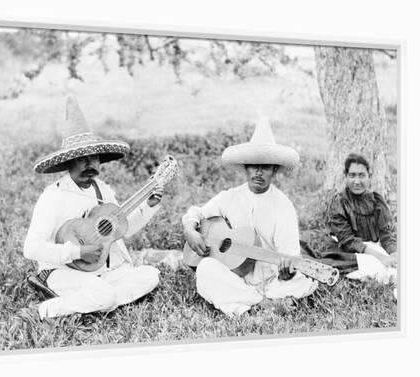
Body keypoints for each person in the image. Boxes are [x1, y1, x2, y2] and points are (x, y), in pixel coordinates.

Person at [24, 96, 162, 319]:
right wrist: (78, 251)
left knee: (151, 275)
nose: (90, 165)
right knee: (106, 295)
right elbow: (31, 248)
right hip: (62, 270)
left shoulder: (103, 190)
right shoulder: (53, 196)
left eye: (94, 157)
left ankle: (92, 300)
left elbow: (118, 230)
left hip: (100, 271)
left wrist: (148, 206)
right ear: (68, 163)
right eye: (82, 159)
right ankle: (42, 311)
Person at [182, 118, 317, 316]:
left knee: (300, 283)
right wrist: (189, 229)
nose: (259, 172)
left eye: (266, 166)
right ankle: (262, 303)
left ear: (275, 170)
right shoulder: (230, 196)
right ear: (245, 168)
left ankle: (244, 303)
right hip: (236, 274)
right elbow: (197, 212)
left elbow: (290, 254)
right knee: (206, 269)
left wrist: (288, 273)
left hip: (272, 279)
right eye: (253, 166)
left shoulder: (283, 206)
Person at [324, 153, 397, 283]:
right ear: (345, 176)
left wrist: (393, 254)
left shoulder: (377, 201)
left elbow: (385, 235)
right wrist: (381, 257)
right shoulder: (339, 202)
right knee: (378, 268)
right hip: (349, 251)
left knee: (398, 267)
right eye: (352, 175)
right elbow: (348, 241)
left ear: (369, 176)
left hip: (372, 247)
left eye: (362, 175)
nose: (357, 181)